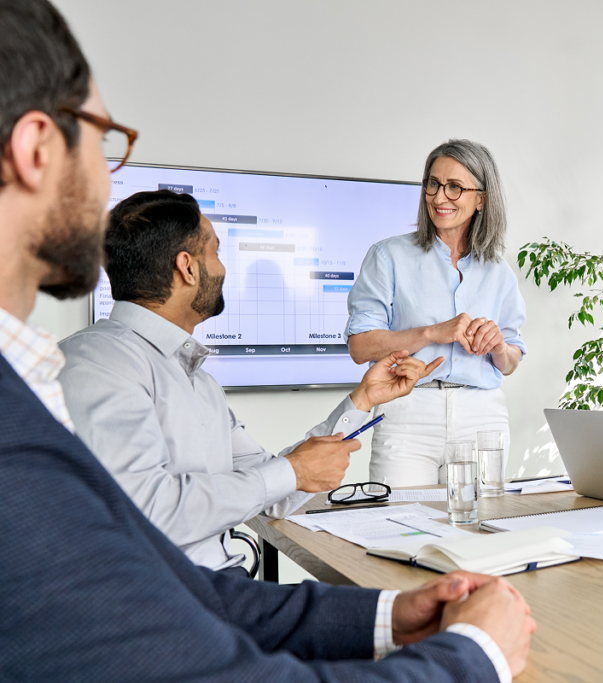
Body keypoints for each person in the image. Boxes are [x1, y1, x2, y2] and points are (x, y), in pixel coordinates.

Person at [0, 1, 534, 680]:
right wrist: (474, 655)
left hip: (235, 590)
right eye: (105, 140)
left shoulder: (185, 374)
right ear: (36, 147)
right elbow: (171, 520)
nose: (108, 176)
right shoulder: (91, 369)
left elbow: (259, 505)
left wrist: (361, 406)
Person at [57, 190, 443, 571]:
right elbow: (148, 511)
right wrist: (292, 471)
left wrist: (362, 401)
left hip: (221, 587)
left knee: (394, 609)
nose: (222, 269)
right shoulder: (98, 363)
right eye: (216, 252)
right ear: (187, 267)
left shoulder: (197, 382)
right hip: (170, 602)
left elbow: (275, 491)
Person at [345, 139, 527, 486]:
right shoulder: (388, 257)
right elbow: (360, 347)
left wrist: (500, 348)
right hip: (409, 412)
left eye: (455, 187)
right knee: (401, 531)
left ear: (482, 199)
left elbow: (512, 360)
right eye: (433, 183)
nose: (439, 197)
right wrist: (430, 333)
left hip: (482, 417)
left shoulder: (499, 271)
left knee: (480, 533)